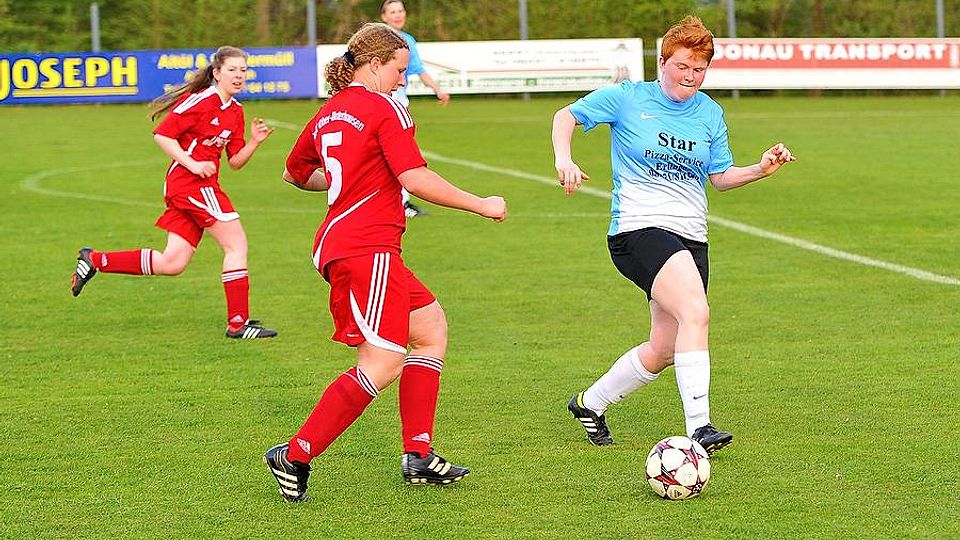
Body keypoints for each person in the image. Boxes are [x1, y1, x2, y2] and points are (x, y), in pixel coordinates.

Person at [263, 23, 507, 502]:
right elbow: (415, 178)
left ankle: (418, 455)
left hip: (354, 245)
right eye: (399, 70)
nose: (403, 79)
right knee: (383, 361)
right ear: (374, 65)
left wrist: (345, 181)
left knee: (430, 327)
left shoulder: (329, 111)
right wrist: (482, 204)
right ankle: (294, 454)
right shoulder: (385, 107)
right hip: (365, 249)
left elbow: (296, 174)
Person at [552, 16, 795, 454]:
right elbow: (564, 116)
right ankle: (700, 427)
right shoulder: (628, 97)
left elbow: (719, 178)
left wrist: (761, 169)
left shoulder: (710, 112)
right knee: (696, 312)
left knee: (664, 348)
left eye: (699, 69)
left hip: (691, 236)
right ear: (662, 62)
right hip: (639, 229)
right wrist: (564, 159)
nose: (690, 76)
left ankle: (590, 403)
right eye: (682, 66)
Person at [70, 46, 278, 339]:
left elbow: (235, 162)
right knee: (236, 244)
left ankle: (95, 260)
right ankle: (238, 324)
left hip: (200, 186)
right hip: (189, 184)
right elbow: (163, 134)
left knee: (172, 263)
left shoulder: (236, 111)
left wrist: (254, 142)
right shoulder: (200, 100)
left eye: (243, 70)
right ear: (217, 73)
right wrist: (193, 164)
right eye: (232, 70)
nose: (239, 75)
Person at [380, 0, 450, 218]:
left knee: (395, 154)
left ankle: (401, 202)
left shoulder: (407, 40)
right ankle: (396, 203)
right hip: (381, 104)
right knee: (394, 154)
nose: (397, 15)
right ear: (383, 16)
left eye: (400, 11)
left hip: (399, 104)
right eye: (392, 11)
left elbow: (418, 69)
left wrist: (437, 89)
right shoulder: (376, 39)